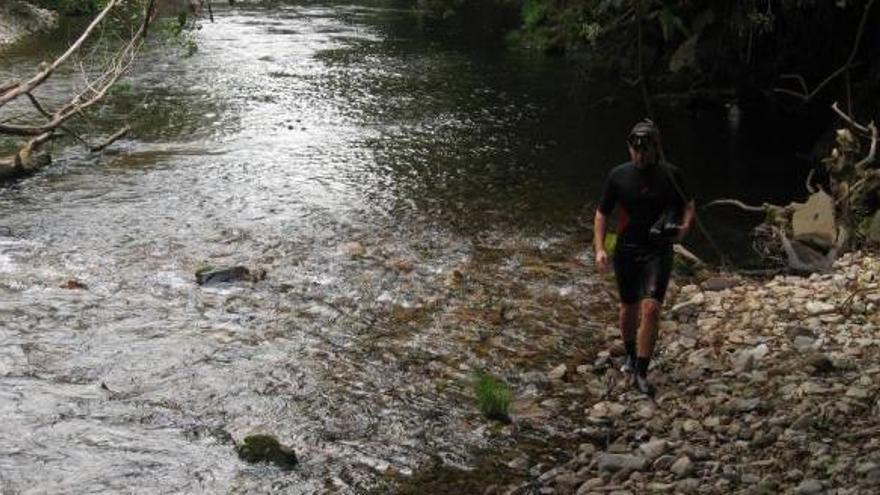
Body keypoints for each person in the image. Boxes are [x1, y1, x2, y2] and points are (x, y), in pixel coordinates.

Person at [592, 119, 695, 396]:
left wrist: (684, 229)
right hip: (626, 249)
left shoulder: (671, 175)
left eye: (645, 151)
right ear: (629, 149)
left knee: (651, 309)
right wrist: (600, 248)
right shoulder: (618, 176)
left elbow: (688, 204)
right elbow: (602, 213)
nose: (640, 156)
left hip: (658, 250)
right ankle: (628, 353)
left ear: (656, 148)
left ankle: (641, 370)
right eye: (635, 151)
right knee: (628, 307)